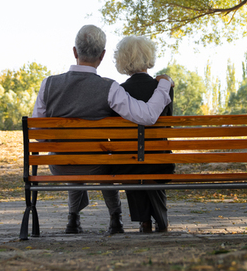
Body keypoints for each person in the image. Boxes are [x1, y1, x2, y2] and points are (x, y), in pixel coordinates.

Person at [31, 25, 174, 235]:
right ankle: (115, 218)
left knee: (70, 155)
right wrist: (164, 86)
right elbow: (148, 115)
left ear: (74, 52)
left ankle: (73, 219)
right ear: (103, 55)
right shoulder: (110, 88)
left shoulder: (48, 84)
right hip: (96, 166)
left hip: (59, 166)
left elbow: (37, 132)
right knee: (104, 158)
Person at [113, 36, 175, 233]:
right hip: (160, 161)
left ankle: (144, 221)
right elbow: (168, 125)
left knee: (132, 162)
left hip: (128, 162)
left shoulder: (120, 91)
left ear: (123, 60)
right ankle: (160, 218)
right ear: (149, 57)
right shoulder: (163, 88)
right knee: (151, 160)